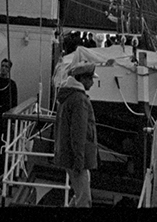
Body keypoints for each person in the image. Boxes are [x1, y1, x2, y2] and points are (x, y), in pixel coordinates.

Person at [53, 59, 98, 209]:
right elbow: (79, 133)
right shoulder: (80, 100)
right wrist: (79, 159)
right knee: (84, 200)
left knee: (79, 195)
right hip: (77, 158)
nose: (92, 83)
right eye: (91, 79)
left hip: (68, 154)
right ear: (83, 79)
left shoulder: (68, 97)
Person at [0, 57, 19, 179]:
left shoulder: (12, 85)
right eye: (2, 66)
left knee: (2, 148)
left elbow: (14, 104)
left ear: (10, 69)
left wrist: (12, 120)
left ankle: (0, 174)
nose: (4, 68)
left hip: (4, 120)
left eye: (6, 67)